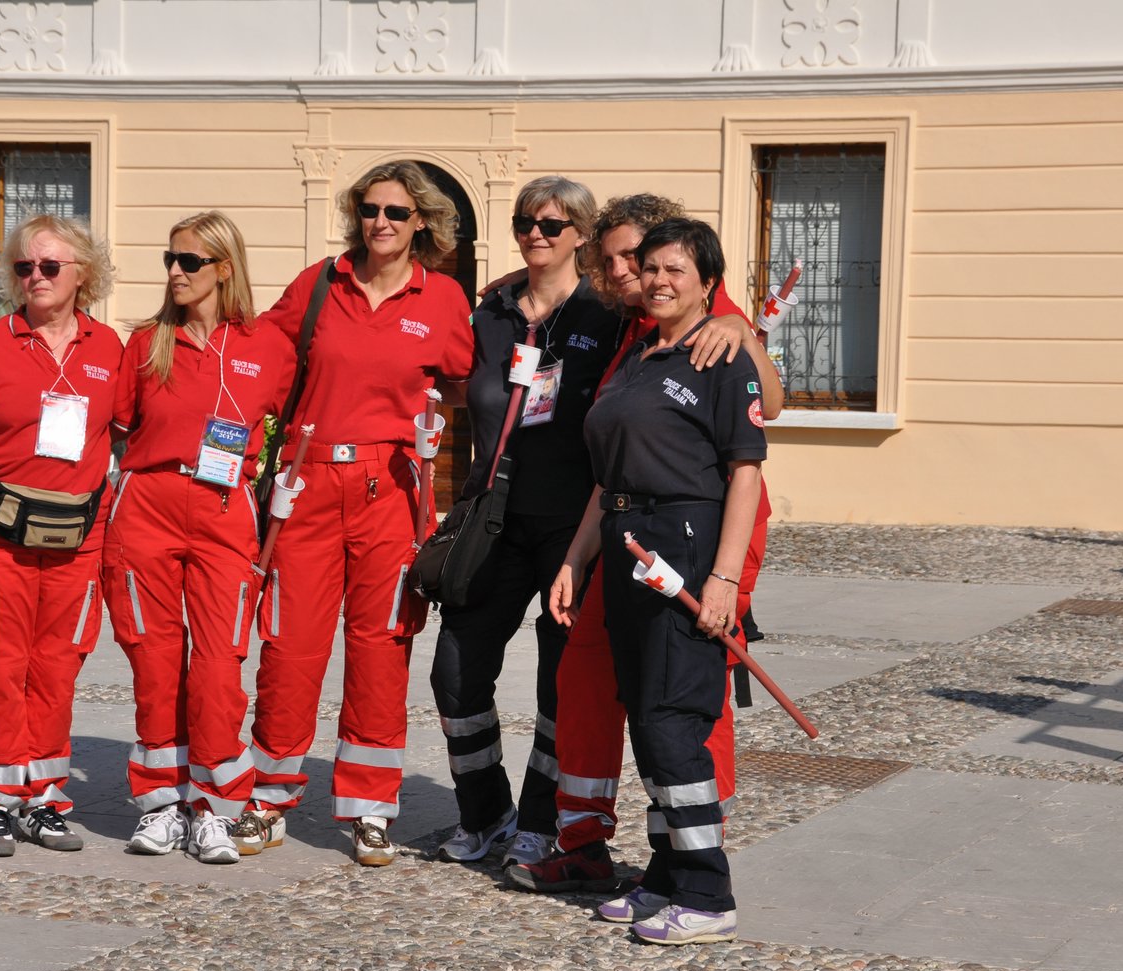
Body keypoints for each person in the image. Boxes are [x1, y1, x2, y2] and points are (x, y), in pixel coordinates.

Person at [506, 194, 783, 896]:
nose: (630, 272)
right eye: (617, 261)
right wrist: (580, 552)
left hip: (704, 529)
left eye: (642, 258)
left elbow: (766, 411)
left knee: (685, 695)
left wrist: (738, 328)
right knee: (593, 677)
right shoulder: (637, 332)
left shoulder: (713, 321)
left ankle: (692, 857)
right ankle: (590, 839)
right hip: (627, 532)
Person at [245, 160, 474, 866]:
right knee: (290, 643)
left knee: (382, 646)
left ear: (423, 224)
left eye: (397, 213)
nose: (381, 222)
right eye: (371, 209)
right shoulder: (319, 284)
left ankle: (370, 807)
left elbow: (467, 389)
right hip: (307, 481)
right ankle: (268, 795)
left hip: (390, 488)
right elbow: (259, 360)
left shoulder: (442, 301)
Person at [428, 176, 623, 868]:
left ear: (581, 235)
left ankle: (543, 817)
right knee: (454, 669)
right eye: (524, 222)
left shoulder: (608, 316)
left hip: (574, 524)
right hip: (492, 516)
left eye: (551, 223)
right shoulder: (491, 314)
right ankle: (485, 812)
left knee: (561, 679)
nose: (535, 234)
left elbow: (685, 296)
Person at [104, 211, 295, 864]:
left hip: (224, 513)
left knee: (217, 669)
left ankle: (214, 804)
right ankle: (161, 805)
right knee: (156, 665)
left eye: (189, 261)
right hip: (147, 509)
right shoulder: (145, 344)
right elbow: (116, 428)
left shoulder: (267, 347)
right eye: (170, 260)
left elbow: (294, 428)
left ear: (224, 268)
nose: (175, 272)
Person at [0, 214, 123, 857]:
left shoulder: (110, 350)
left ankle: (41, 798)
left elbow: (129, 438)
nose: (34, 277)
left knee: (58, 670)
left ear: (83, 275)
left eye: (49, 267)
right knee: (0, 671)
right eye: (23, 267)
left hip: (79, 540)